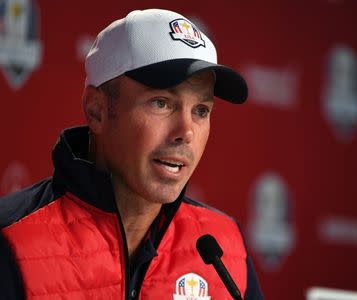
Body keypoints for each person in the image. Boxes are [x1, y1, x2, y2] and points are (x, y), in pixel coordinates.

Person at [0, 8, 263, 300]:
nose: (186, 132)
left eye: (201, 110)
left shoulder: (226, 247)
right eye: (161, 103)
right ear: (96, 110)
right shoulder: (12, 240)